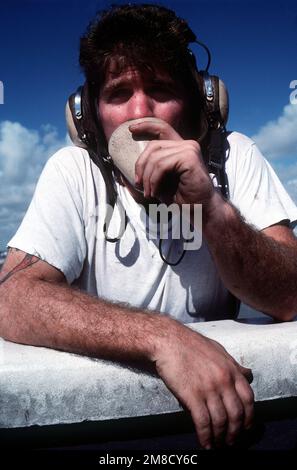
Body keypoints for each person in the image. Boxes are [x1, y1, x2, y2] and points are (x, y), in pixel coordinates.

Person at [0, 4, 297, 450]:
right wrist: (163, 337)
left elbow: (291, 295)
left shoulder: (236, 156)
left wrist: (212, 207)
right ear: (89, 114)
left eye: (160, 89)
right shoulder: (73, 170)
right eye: (118, 94)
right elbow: (13, 297)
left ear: (199, 100)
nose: (140, 112)